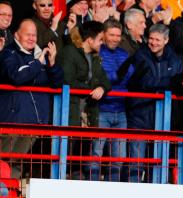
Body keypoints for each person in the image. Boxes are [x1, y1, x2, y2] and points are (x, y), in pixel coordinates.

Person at [0, 19, 64, 178]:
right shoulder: (9, 53)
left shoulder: (40, 54)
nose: (31, 38)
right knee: (2, 162)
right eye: (27, 34)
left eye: (34, 35)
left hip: (34, 122)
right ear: (16, 35)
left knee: (17, 164)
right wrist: (38, 63)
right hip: (12, 120)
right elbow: (17, 76)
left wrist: (52, 62)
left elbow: (57, 84)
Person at [126, 23, 183, 182]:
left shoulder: (175, 60)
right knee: (136, 162)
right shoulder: (140, 56)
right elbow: (144, 82)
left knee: (158, 165)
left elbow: (180, 81)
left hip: (163, 120)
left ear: (166, 40)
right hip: (140, 116)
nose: (153, 42)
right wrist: (173, 81)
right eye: (151, 39)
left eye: (158, 40)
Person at [88, 19, 134, 182]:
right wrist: (116, 76)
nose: (115, 38)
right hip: (102, 110)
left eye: (118, 35)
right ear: (104, 35)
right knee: (96, 154)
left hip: (121, 110)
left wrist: (116, 77)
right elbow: (99, 77)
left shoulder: (124, 55)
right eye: (111, 35)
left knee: (119, 157)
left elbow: (130, 77)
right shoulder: (97, 52)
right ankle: (91, 189)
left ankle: (110, 191)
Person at [58, 20, 111, 128]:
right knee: (68, 144)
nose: (102, 43)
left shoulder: (95, 57)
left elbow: (105, 80)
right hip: (70, 112)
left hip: (89, 114)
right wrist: (92, 89)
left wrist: (102, 88)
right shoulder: (69, 52)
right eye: (100, 39)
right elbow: (67, 80)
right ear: (90, 40)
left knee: (85, 144)